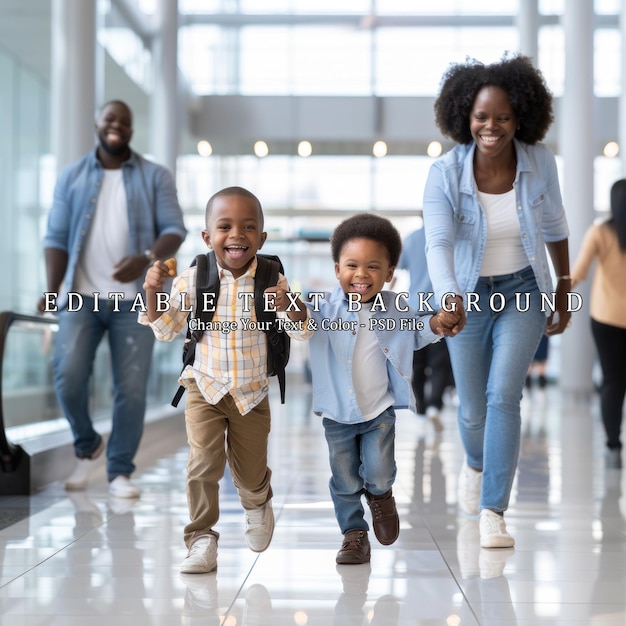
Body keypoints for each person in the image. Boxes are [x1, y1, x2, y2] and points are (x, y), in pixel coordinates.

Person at [422, 53, 572, 549]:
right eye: (482, 116)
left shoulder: (538, 161)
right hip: (466, 295)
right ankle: (475, 461)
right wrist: (448, 300)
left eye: (503, 116)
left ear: (520, 117)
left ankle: (493, 511)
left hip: (524, 290)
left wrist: (564, 287)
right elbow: (438, 244)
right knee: (470, 410)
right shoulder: (444, 174)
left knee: (504, 395)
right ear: (465, 116)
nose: (492, 126)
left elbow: (554, 227)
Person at [140, 186, 309, 574]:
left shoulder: (273, 279)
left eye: (249, 227)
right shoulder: (192, 278)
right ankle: (200, 538)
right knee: (202, 463)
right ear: (207, 236)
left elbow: (303, 332)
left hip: (251, 393)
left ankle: (257, 501)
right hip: (204, 386)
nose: (237, 234)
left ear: (261, 238)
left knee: (249, 471)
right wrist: (152, 290)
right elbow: (165, 331)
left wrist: (289, 305)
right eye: (225, 226)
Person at [293, 213, 460, 565]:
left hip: (378, 410)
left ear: (389, 273)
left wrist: (438, 322)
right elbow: (302, 321)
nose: (361, 275)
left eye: (373, 267)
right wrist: (287, 307)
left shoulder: (395, 308)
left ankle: (381, 496)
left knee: (379, 471)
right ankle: (354, 534)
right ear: (337, 269)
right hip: (337, 413)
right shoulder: (323, 308)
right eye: (352, 265)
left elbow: (416, 332)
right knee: (344, 478)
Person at [40, 100, 187, 498]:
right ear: (97, 124)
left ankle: (119, 470)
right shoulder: (71, 176)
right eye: (110, 119)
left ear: (131, 129)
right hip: (80, 297)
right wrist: (52, 291)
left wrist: (146, 258)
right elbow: (55, 238)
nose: (116, 125)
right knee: (68, 375)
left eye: (124, 120)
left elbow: (175, 229)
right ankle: (88, 447)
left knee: (132, 387)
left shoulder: (154, 175)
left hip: (135, 300)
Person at [572, 178, 626, 469]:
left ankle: (613, 447)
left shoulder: (600, 232)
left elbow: (578, 272)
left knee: (612, 382)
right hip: (608, 319)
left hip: (605, 318)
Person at [397, 226, 455, 432]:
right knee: (440, 364)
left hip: (415, 308)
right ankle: (434, 407)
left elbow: (399, 266)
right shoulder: (449, 237)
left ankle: (421, 411)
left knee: (417, 366)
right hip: (441, 310)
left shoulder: (412, 239)